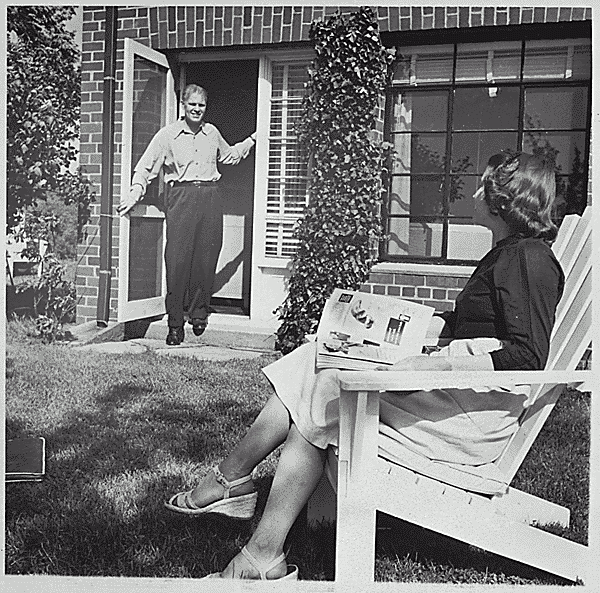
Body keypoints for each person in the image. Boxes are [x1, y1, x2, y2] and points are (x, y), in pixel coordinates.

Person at [164, 151, 564, 580]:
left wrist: (430, 368)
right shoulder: (508, 253)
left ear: (505, 199)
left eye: (485, 185)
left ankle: (236, 496)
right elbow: (466, 326)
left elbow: (526, 355)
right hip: (460, 398)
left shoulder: (529, 258)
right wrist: (380, 323)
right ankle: (257, 540)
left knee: (323, 388)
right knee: (321, 364)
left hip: (475, 420)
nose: (476, 191)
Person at [118, 84, 256, 345]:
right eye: (192, 104)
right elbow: (146, 167)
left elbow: (228, 157)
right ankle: (175, 323)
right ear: (183, 105)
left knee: (207, 256)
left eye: (201, 105)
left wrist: (251, 140)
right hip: (181, 197)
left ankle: (199, 313)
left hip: (211, 196)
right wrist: (135, 192)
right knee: (178, 260)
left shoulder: (212, 132)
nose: (197, 109)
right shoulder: (167, 135)